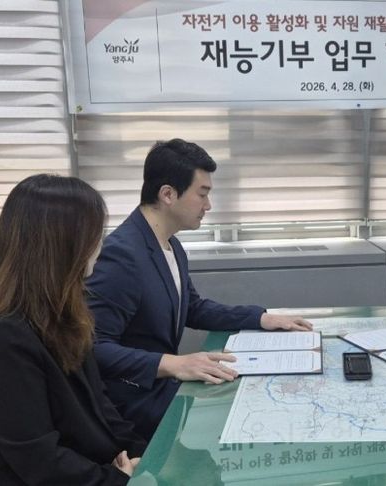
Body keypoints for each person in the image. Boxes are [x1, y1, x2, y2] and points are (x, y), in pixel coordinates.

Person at [87, 138, 313, 440]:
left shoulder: (170, 245)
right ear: (168, 194)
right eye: (202, 194)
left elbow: (192, 307)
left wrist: (261, 318)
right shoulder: (122, 254)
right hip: (131, 408)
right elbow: (94, 348)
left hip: (158, 392)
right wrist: (174, 363)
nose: (208, 205)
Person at [0, 174, 146, 485]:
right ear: (66, 244)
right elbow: (37, 458)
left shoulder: (63, 312)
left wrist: (141, 454)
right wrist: (114, 479)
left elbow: (98, 404)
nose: (101, 245)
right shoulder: (2, 337)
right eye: (96, 234)